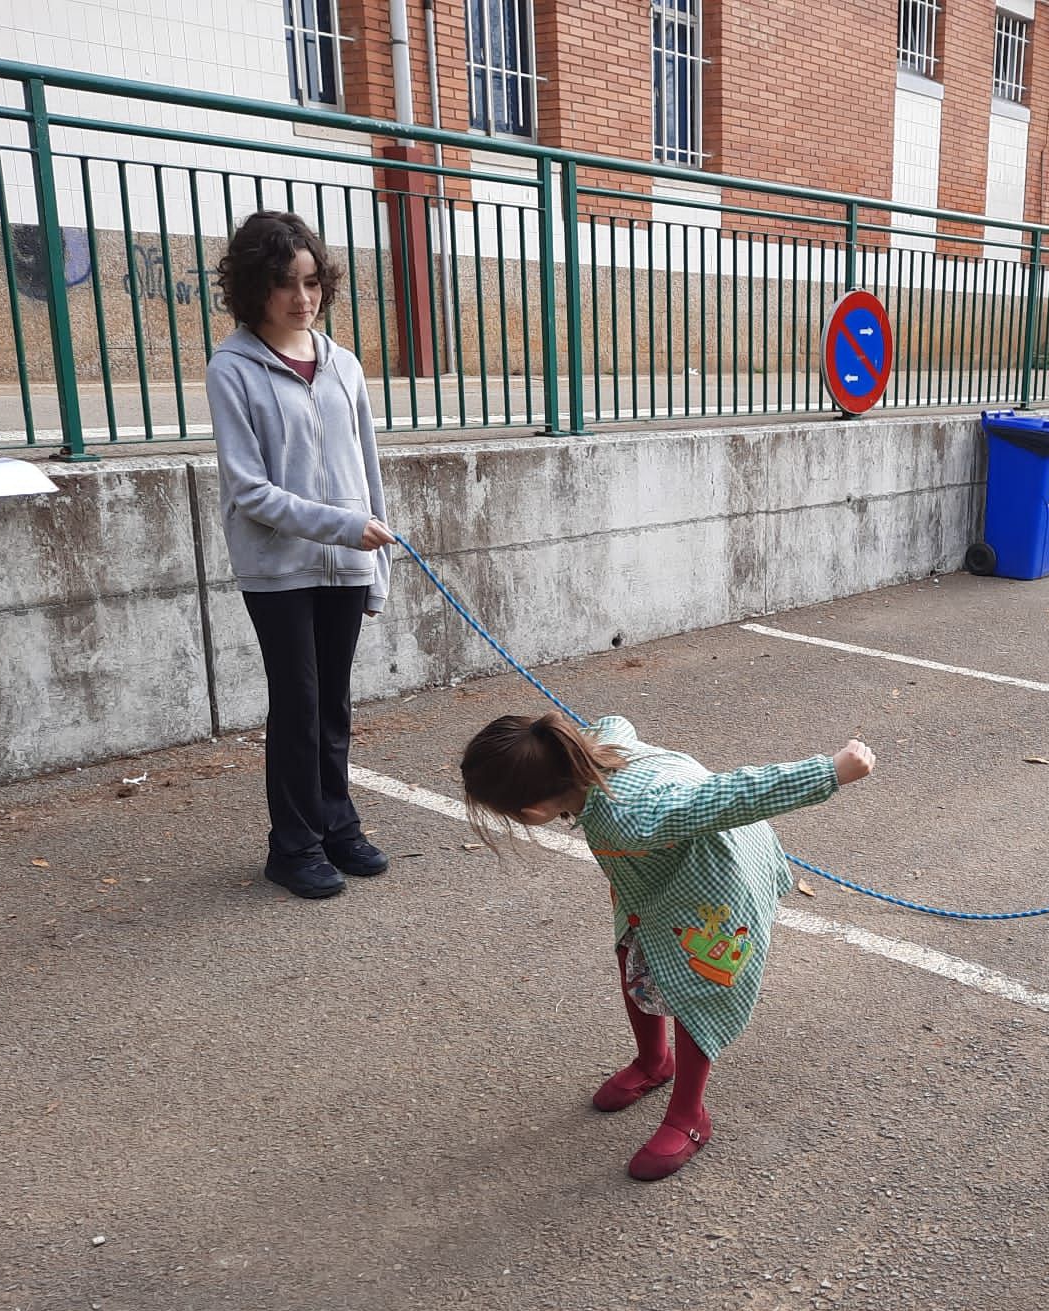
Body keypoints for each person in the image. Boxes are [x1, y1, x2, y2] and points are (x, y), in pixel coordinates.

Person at [460, 711, 875, 1181]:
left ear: (534, 812)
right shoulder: (592, 749)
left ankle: (689, 1116)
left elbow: (731, 794)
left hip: (716, 890)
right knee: (632, 955)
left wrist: (830, 772)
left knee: (698, 989)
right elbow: (616, 721)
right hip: (657, 883)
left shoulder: (632, 815)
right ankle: (654, 1062)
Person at [205, 210, 394, 900]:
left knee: (334, 705)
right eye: (285, 283)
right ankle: (292, 846)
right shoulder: (232, 368)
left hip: (346, 563)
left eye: (312, 282)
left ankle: (336, 826)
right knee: (299, 703)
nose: (302, 298)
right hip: (277, 569)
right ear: (254, 286)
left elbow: (369, 474)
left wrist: (375, 569)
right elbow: (249, 490)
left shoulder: (343, 364)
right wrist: (343, 528)